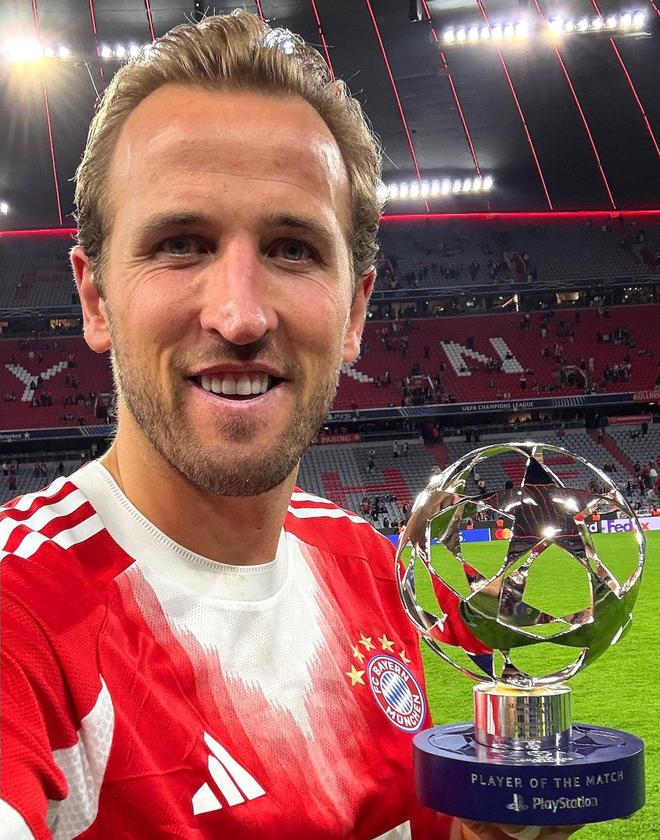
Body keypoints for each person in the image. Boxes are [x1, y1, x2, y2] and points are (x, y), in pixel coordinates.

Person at [0, 12, 580, 840]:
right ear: (95, 298)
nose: (239, 315)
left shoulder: (370, 567)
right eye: (181, 243)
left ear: (356, 310)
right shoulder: (23, 606)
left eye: (293, 249)